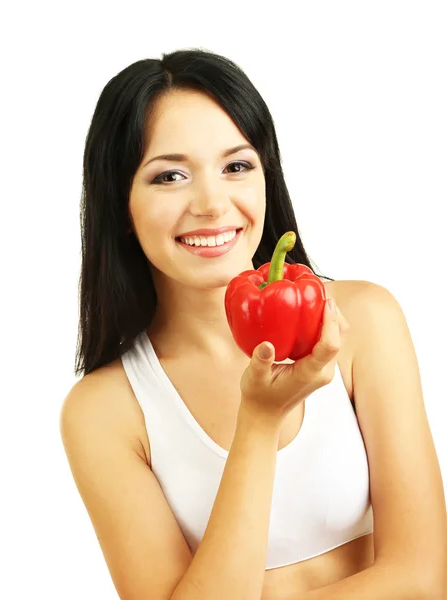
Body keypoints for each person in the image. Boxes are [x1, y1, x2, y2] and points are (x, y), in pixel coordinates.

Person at [59, 49, 446, 599]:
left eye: (237, 166)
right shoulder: (104, 411)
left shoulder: (364, 322)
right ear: (120, 204)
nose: (213, 203)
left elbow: (426, 578)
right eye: (169, 176)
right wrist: (259, 424)